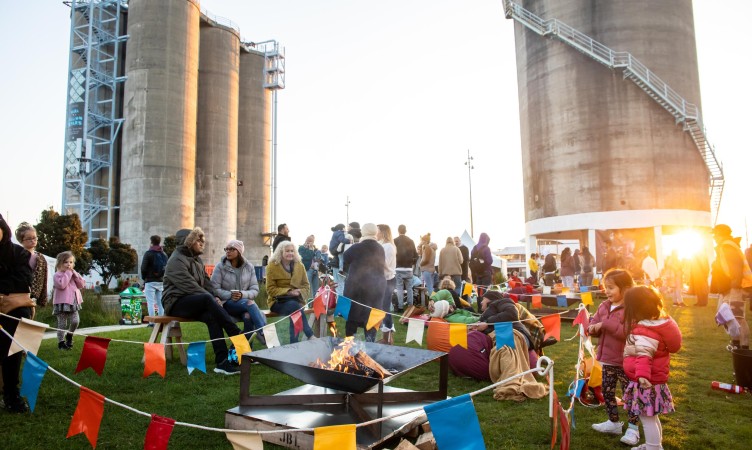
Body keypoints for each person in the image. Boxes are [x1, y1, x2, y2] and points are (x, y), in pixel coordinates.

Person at [162, 227, 243, 375]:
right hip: (175, 302)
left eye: (202, 240)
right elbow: (189, 286)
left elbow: (207, 283)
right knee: (207, 298)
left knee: (212, 317)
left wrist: (215, 297)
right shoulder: (175, 260)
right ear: (188, 241)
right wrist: (211, 298)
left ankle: (222, 363)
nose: (202, 243)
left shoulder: (197, 260)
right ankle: (236, 333)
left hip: (193, 300)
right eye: (198, 240)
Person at [622, 286, 682, 450]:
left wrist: (642, 376)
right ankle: (654, 445)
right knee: (652, 417)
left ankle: (653, 447)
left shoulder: (644, 330)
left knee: (646, 418)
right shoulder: (660, 323)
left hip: (646, 381)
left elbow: (644, 355)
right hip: (655, 379)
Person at [588, 269, 640, 445]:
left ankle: (633, 429)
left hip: (626, 361)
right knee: (607, 392)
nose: (607, 291)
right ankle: (614, 422)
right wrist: (592, 328)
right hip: (607, 359)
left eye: (611, 288)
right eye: (605, 287)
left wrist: (604, 324)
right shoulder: (604, 306)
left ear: (624, 289)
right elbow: (594, 322)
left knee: (631, 395)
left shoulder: (632, 309)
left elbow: (626, 331)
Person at [0, 213, 34, 413]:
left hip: (12, 310)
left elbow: (23, 282)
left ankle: (11, 394)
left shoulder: (18, 253)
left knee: (12, 349)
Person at [211, 239, 265, 345]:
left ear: (239, 251)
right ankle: (262, 332)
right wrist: (231, 295)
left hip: (244, 304)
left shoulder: (249, 267)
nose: (228, 251)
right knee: (250, 303)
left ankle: (246, 354)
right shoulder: (220, 266)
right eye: (226, 249)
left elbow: (255, 290)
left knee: (248, 316)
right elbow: (214, 289)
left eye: (231, 249)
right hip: (226, 303)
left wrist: (242, 294)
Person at [342, 223, 386, 342]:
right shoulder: (380, 248)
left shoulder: (357, 247)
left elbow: (345, 258)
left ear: (364, 232)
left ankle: (349, 346)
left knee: (352, 318)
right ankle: (370, 344)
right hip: (375, 287)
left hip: (357, 287)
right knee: (371, 317)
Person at [712, 224, 752, 349]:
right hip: (728, 288)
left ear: (721, 234)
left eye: (716, 234)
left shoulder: (727, 246)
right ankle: (736, 343)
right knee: (728, 316)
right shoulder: (725, 246)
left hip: (734, 288)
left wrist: (734, 287)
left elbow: (736, 270)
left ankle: (743, 348)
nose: (714, 237)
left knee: (738, 317)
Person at [266, 241, 313, 343]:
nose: (290, 253)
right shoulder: (272, 266)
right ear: (280, 252)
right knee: (295, 307)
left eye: (292, 251)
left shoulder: (300, 266)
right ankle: (308, 334)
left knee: (295, 308)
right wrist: (289, 292)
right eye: (287, 251)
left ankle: (293, 344)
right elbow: (270, 289)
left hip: (296, 300)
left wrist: (300, 292)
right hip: (277, 302)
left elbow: (306, 285)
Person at [52, 251, 85, 351]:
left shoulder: (73, 273)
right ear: (60, 263)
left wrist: (75, 275)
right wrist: (68, 274)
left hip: (73, 302)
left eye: (71, 262)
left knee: (75, 321)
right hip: (61, 303)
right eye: (66, 262)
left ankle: (69, 335)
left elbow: (81, 285)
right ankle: (61, 343)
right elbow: (62, 285)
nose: (69, 264)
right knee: (62, 324)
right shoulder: (57, 275)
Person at [15, 222, 47, 309]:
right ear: (21, 240)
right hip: (19, 292)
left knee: (30, 313)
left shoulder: (40, 258)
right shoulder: (17, 255)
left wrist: (42, 297)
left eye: (34, 238)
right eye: (29, 239)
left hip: (34, 293)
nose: (33, 240)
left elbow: (44, 279)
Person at [377, 224, 397, 344]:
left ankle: (388, 338)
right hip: (381, 280)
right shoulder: (382, 245)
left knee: (385, 308)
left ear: (383, 232)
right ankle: (386, 337)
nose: (375, 233)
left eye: (377, 230)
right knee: (381, 308)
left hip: (387, 280)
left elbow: (385, 264)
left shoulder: (389, 246)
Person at [141, 234, 168, 319]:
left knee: (151, 303)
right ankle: (161, 321)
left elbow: (143, 268)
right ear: (159, 242)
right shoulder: (164, 254)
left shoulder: (148, 253)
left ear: (151, 242)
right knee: (160, 303)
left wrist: (144, 278)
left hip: (150, 281)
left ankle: (152, 323)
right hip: (160, 281)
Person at [395, 225, 418, 311]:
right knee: (409, 288)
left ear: (398, 230)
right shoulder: (411, 241)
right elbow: (416, 255)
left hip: (398, 268)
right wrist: (412, 263)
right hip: (408, 268)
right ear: (406, 230)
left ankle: (400, 306)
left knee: (399, 288)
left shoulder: (395, 241)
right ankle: (410, 306)